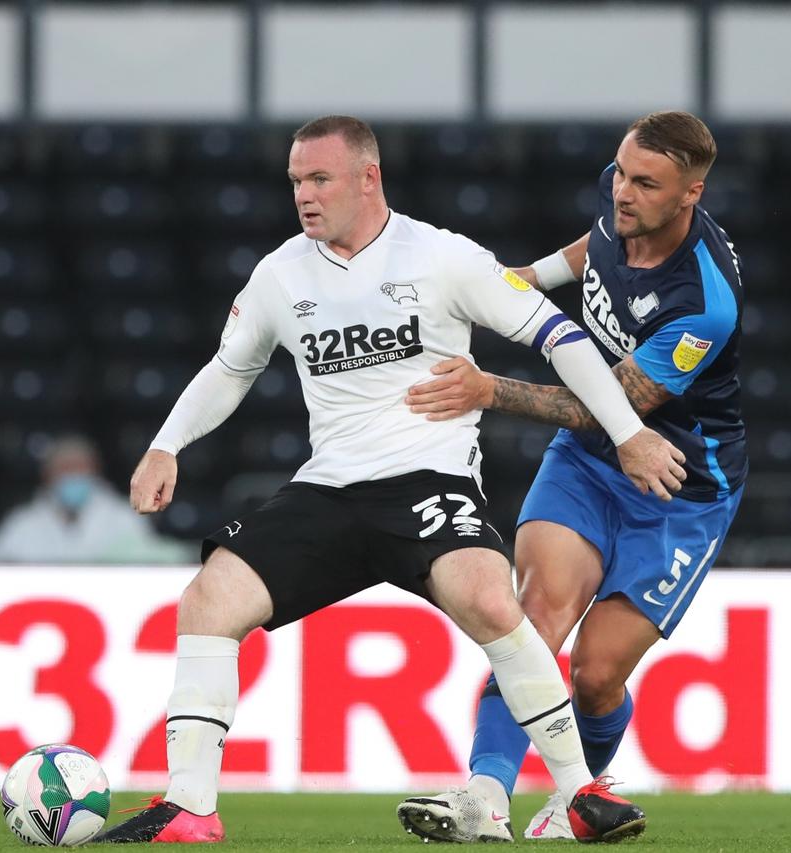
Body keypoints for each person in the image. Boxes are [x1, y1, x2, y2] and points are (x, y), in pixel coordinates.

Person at [98, 115, 688, 844]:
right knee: (208, 599)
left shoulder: (441, 257)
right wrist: (166, 445)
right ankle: (189, 806)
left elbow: (556, 335)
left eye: (319, 179)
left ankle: (576, 791)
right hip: (330, 489)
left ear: (367, 178)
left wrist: (627, 433)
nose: (304, 197)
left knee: (487, 593)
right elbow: (231, 368)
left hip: (427, 477)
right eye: (295, 183)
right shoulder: (282, 274)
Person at [397, 110, 745, 841]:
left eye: (646, 183)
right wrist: (513, 286)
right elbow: (592, 250)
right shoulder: (622, 203)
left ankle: (574, 795)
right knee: (532, 618)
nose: (623, 192)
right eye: (620, 172)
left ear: (691, 194)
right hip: (588, 466)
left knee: (594, 674)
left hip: (679, 487)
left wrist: (489, 388)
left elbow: (611, 409)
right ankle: (484, 796)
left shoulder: (704, 307)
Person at [0, 434, 191, 565]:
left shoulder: (123, 515)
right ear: (47, 475)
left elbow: (149, 562)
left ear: (94, 471)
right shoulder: (23, 523)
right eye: (64, 468)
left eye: (79, 467)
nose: (73, 475)